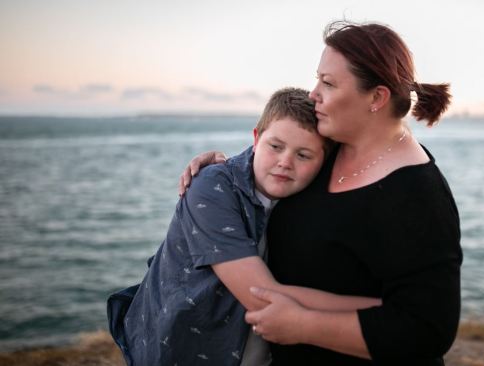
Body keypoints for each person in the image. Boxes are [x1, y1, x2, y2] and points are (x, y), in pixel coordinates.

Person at [179, 21, 462, 365]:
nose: (314, 93)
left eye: (327, 83)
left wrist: (305, 326)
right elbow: (275, 158)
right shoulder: (328, 148)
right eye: (318, 79)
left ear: (376, 97)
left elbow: (429, 331)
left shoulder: (418, 196)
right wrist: (223, 169)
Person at [107, 87, 381, 366]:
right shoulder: (211, 187)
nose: (285, 162)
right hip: (181, 349)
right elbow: (263, 297)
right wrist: (386, 313)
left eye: (304, 155)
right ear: (256, 138)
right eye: (275, 146)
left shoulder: (308, 194)